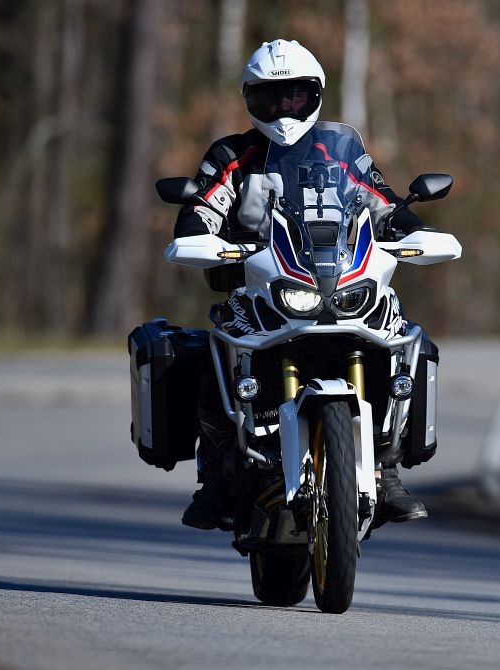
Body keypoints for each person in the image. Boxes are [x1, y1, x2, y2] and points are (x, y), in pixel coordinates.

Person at [175, 39, 432, 530]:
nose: (284, 108)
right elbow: (201, 206)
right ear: (251, 99)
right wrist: (197, 235)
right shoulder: (232, 154)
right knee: (215, 351)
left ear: (315, 95)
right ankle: (218, 479)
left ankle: (386, 470)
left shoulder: (342, 152)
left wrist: (412, 229)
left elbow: (381, 200)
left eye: (295, 95)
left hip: (339, 279)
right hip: (260, 288)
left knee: (403, 339)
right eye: (271, 97)